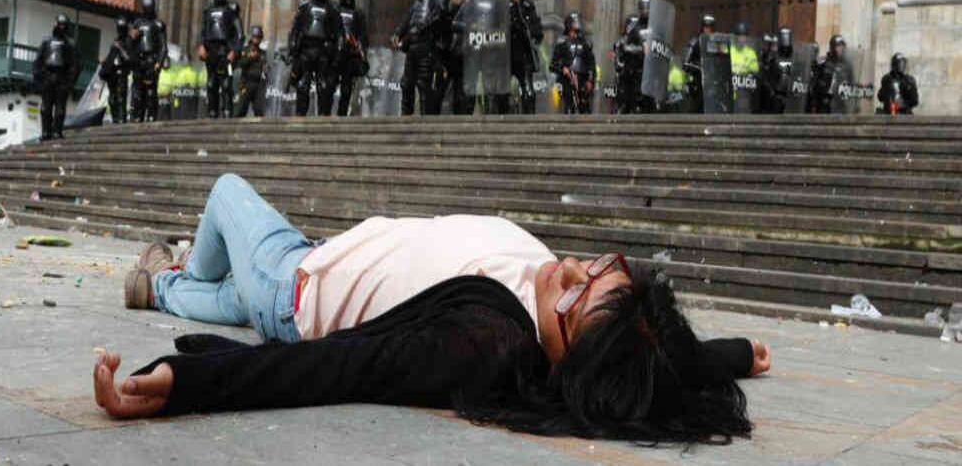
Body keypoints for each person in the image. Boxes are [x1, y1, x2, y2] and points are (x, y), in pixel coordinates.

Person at [105, 173, 770, 443]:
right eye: (600, 268)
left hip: (295, 284)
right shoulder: (581, 320)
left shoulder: (485, 338)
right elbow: (656, 362)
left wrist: (184, 382)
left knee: (226, 192)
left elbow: (345, 367)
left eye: (576, 296)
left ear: (572, 365)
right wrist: (730, 353)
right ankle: (166, 285)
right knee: (224, 298)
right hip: (324, 257)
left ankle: (184, 270)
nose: (569, 269)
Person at [394, 0, 449, 116]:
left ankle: (425, 120)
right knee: (406, 83)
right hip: (412, 46)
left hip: (427, 46)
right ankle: (406, 115)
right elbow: (408, 18)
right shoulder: (419, 0)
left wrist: (422, 28)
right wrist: (398, 33)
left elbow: (439, 16)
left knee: (424, 85)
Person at [289, 0, 341, 116]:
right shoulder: (306, 6)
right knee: (303, 84)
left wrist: (336, 55)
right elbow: (295, 28)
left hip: (323, 50)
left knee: (323, 85)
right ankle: (300, 115)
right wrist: (293, 47)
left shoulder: (332, 8)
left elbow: (338, 33)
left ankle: (323, 117)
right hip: (306, 49)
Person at [199, 0, 244, 119]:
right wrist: (201, 46)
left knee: (226, 85)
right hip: (211, 52)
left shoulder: (231, 11)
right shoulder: (208, 10)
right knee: (211, 84)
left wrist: (234, 51)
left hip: (225, 52)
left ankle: (227, 112)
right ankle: (212, 113)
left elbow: (240, 35)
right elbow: (204, 32)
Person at [32, 14, 80, 141]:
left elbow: (75, 65)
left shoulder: (70, 44)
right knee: (45, 108)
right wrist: (38, 78)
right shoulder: (46, 41)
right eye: (60, 24)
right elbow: (38, 60)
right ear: (55, 24)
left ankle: (57, 131)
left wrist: (70, 82)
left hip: (62, 78)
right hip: (47, 76)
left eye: (64, 25)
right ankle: (45, 132)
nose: (61, 27)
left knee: (60, 108)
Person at [506, 0, 544, 114]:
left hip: (524, 54)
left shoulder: (528, 6)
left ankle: (529, 124)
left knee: (528, 91)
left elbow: (536, 28)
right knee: (501, 92)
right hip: (507, 54)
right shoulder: (505, 4)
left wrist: (534, 35)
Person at [130, 0, 168, 123]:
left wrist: (159, 63)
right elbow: (131, 44)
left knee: (151, 92)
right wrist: (132, 37)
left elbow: (163, 47)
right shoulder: (137, 24)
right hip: (139, 61)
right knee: (137, 93)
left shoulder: (158, 24)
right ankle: (137, 116)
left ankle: (151, 116)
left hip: (152, 61)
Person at [335, 0, 369, 117]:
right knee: (327, 85)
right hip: (334, 53)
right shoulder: (335, 10)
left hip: (350, 54)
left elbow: (363, 35)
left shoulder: (357, 13)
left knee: (346, 89)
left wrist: (359, 48)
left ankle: (341, 115)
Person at [433, 0, 468, 115]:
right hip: (446, 58)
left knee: (460, 94)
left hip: (460, 58)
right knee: (439, 91)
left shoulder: (466, 13)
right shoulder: (446, 12)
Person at [550, 12, 595, 114]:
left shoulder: (585, 43)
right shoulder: (561, 42)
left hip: (582, 78)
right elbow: (553, 64)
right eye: (574, 23)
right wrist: (562, 68)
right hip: (566, 80)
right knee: (568, 105)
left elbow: (591, 63)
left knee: (584, 106)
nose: (576, 25)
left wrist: (590, 80)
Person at [99, 17, 132, 124]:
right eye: (119, 28)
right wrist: (104, 61)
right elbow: (111, 56)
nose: (120, 31)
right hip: (112, 73)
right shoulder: (115, 41)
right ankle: (115, 119)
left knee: (121, 97)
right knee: (112, 98)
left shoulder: (129, 42)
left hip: (122, 73)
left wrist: (120, 49)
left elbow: (129, 58)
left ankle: (122, 119)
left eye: (122, 28)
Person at [683, 13, 716, 113]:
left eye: (710, 27)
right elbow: (685, 61)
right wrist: (696, 66)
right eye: (706, 27)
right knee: (696, 103)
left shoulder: (717, 42)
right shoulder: (695, 42)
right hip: (699, 77)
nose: (708, 30)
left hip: (714, 78)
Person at [613, 14, 645, 114]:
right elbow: (618, 59)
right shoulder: (621, 42)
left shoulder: (641, 42)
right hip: (626, 73)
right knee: (623, 100)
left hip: (639, 74)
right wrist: (621, 67)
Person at [233, 26, 267, 118]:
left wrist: (266, 68)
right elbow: (240, 64)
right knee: (241, 109)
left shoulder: (262, 53)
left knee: (259, 110)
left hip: (258, 84)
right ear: (251, 37)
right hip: (246, 83)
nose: (257, 39)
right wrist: (249, 58)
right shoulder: (245, 50)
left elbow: (265, 66)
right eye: (255, 37)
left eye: (259, 37)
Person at [809, 34, 847, 114]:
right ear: (833, 47)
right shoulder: (823, 64)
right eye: (838, 47)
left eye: (842, 47)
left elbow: (850, 83)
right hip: (824, 102)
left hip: (840, 102)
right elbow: (814, 85)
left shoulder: (845, 66)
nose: (841, 49)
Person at [758, 32, 784, 114]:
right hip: (761, 95)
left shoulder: (777, 61)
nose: (772, 48)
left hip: (774, 94)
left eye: (774, 45)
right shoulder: (761, 59)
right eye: (766, 44)